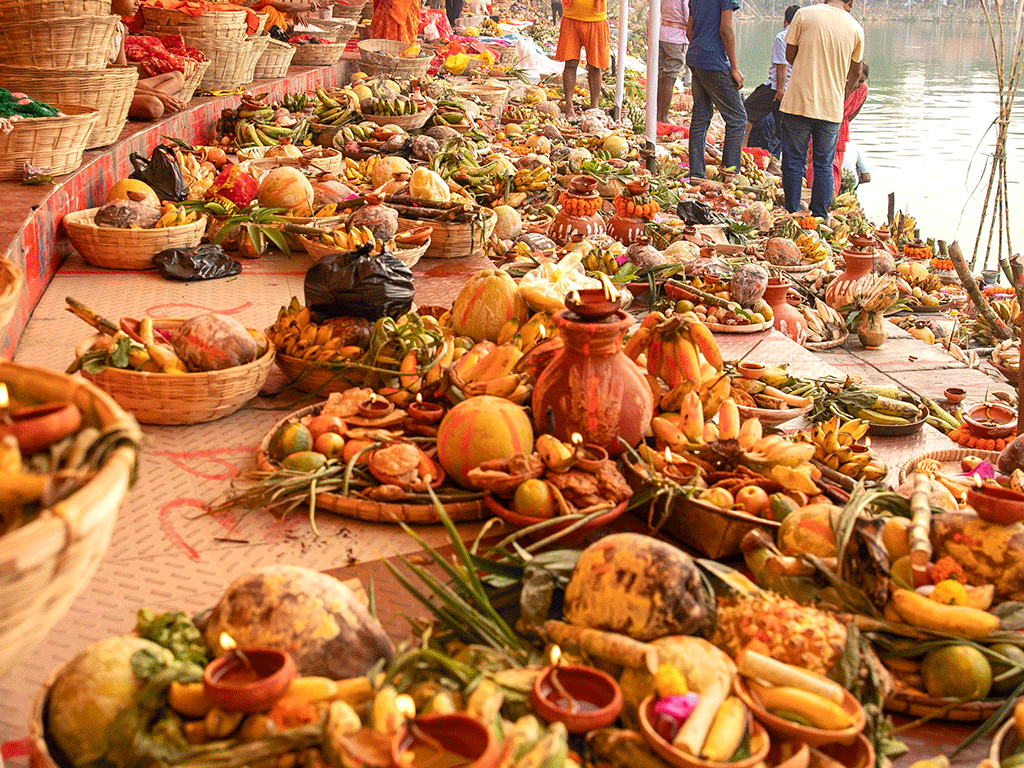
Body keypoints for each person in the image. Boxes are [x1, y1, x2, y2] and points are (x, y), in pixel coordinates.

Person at [778, 0, 864, 218]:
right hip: (830, 107)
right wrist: (843, 93)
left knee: (794, 160)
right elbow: (856, 73)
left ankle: (792, 210)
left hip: (799, 101)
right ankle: (819, 214)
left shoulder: (804, 15)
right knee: (824, 163)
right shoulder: (856, 28)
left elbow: (789, 55)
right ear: (850, 2)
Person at [685, 0, 745, 178]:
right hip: (714, 61)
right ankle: (729, 173)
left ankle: (696, 174)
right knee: (737, 118)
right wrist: (734, 67)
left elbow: (689, 31)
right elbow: (726, 30)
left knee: (700, 116)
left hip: (695, 57)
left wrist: (701, 48)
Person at [110, 0, 185, 120]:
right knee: (155, 106)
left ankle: (156, 100)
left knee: (177, 78)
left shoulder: (119, 28)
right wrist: (158, 95)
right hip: (107, 93)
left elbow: (125, 77)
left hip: (122, 86)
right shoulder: (98, 31)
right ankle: (156, 100)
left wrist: (159, 95)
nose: (138, 2)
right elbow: (112, 82)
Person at [742, 4, 798, 147]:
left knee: (747, 111)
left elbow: (782, 64)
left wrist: (780, 90)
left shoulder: (782, 37)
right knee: (782, 126)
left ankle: (740, 150)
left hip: (776, 87)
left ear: (785, 20)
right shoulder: (803, 37)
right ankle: (780, 161)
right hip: (793, 88)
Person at [554, 0, 610, 117]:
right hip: (571, 18)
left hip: (596, 19)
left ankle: (594, 108)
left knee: (595, 66)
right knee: (570, 63)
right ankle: (569, 106)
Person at [657, 0, 689, 124]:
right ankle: (662, 117)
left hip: (663, 32)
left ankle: (657, 114)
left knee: (662, 74)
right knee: (670, 75)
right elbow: (688, 14)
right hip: (675, 36)